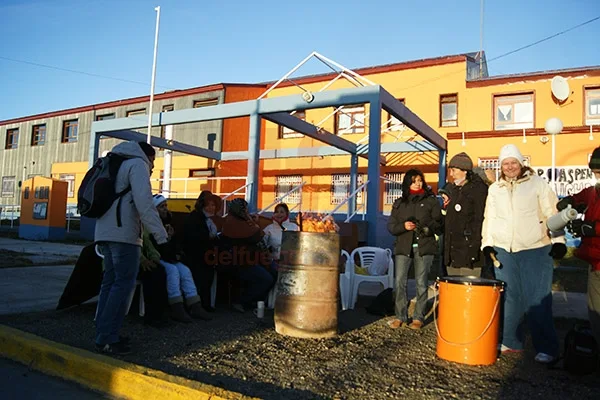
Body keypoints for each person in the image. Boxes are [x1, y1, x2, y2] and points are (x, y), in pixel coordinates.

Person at [481, 144, 567, 364]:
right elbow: (489, 219)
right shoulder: (495, 189)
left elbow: (553, 213)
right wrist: (488, 244)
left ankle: (547, 346)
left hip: (535, 247)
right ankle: (511, 340)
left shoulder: (537, 184)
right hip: (504, 250)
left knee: (537, 298)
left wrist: (558, 240)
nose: (509, 167)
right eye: (505, 163)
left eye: (513, 162)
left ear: (521, 164)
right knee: (510, 298)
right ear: (500, 166)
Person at [94, 141, 168, 355]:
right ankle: (107, 339)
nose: (153, 167)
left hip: (104, 233)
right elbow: (145, 203)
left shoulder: (115, 163)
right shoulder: (137, 164)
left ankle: (104, 334)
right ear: (148, 156)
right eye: (153, 161)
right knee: (122, 286)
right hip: (124, 234)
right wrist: (161, 236)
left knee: (110, 284)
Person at [387, 169, 443, 330]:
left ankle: (418, 317)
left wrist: (427, 227)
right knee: (399, 282)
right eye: (414, 181)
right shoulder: (400, 203)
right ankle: (400, 316)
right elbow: (391, 226)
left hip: (424, 246)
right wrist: (403, 226)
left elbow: (439, 224)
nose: (418, 183)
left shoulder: (431, 201)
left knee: (421, 282)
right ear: (407, 183)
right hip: (404, 246)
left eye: (420, 180)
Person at [559, 145, 600, 347]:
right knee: (595, 314)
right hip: (595, 262)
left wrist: (591, 228)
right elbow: (583, 197)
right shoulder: (594, 191)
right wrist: (570, 202)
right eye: (595, 173)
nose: (597, 177)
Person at [152, 194, 212, 322]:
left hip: (168, 256)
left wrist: (172, 240)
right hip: (156, 256)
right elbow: (153, 245)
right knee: (172, 271)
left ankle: (194, 304)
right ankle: (176, 307)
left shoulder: (168, 223)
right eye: (161, 207)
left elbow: (174, 244)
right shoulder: (151, 224)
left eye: (165, 206)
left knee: (185, 271)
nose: (165, 209)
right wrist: (167, 239)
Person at [220, 198, 275, 312]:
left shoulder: (242, 220)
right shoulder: (232, 223)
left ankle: (257, 300)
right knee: (266, 279)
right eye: (244, 209)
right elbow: (256, 236)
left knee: (274, 270)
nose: (246, 211)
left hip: (251, 259)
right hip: (239, 262)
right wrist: (253, 222)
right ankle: (242, 300)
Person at [442, 152, 488, 277]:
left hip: (469, 254)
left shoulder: (478, 190)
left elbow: (480, 220)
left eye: (454, 170)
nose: (451, 174)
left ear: (465, 171)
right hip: (452, 254)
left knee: (469, 291)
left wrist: (474, 249)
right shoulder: (455, 190)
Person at [183, 190, 223, 311]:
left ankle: (206, 303)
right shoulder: (195, 217)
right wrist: (210, 237)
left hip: (208, 253)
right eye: (208, 205)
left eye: (213, 205)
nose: (211, 208)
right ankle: (197, 304)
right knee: (202, 274)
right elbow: (193, 237)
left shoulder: (211, 219)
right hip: (195, 253)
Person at [263, 203, 300, 269]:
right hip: (273, 264)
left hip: (291, 264)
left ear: (287, 213)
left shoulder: (295, 227)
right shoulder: (268, 228)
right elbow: (262, 245)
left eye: (282, 212)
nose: (279, 214)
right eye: (277, 212)